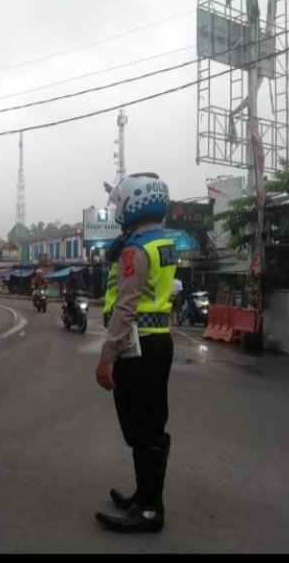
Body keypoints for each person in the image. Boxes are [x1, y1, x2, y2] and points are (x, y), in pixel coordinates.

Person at [94, 172, 177, 534]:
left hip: (137, 345)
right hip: (158, 341)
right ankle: (144, 496)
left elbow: (126, 308)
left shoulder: (135, 249)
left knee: (142, 428)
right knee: (151, 422)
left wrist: (106, 357)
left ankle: (148, 509)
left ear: (132, 205)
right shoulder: (162, 242)